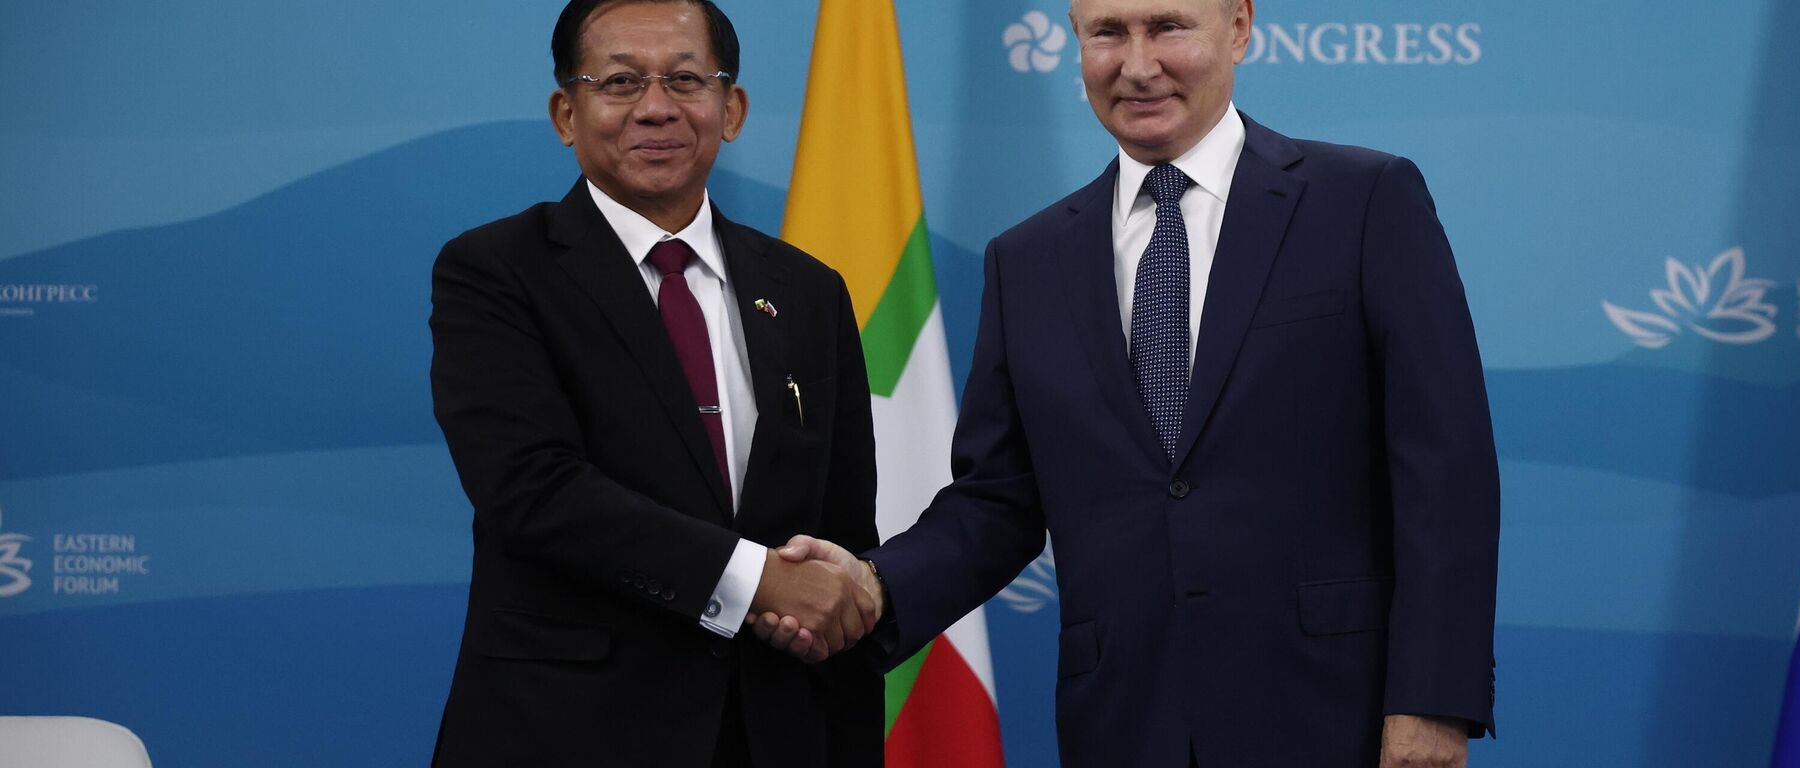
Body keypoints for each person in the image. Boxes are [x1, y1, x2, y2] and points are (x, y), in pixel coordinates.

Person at [759, 0, 1499, 765]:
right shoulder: (1028, 259)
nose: (1136, 65)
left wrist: (1432, 701)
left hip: (1335, 716)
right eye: (1107, 33)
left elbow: (1445, 471)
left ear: (1239, 26)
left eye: (1167, 26)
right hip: (1124, 725)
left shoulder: (1364, 200)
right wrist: (877, 585)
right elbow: (998, 501)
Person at [426, 1, 882, 765]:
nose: (656, 108)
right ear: (566, 113)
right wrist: (756, 580)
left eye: (684, 79)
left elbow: (839, 527)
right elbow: (532, 489)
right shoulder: (496, 271)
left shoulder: (807, 289)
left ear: (730, 108)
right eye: (621, 82)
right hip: (569, 730)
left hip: (773, 728)